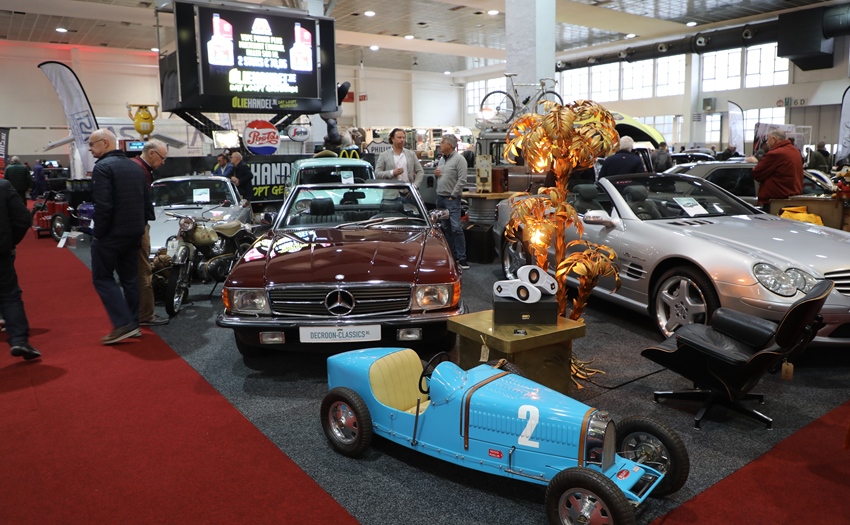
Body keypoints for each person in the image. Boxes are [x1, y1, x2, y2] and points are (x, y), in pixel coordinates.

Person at [89, 128, 152, 345]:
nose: (90, 149)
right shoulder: (134, 166)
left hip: (111, 234)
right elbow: (146, 202)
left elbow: (103, 205)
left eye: (92, 144)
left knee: (102, 277)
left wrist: (98, 233)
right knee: (130, 279)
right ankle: (133, 324)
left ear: (105, 142)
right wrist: (141, 227)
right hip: (134, 232)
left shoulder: (102, 168)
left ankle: (123, 323)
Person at [0, 178, 41, 360]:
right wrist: (9, 242)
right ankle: (19, 340)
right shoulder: (3, 186)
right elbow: (23, 219)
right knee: (9, 295)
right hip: (1, 252)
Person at [130, 139, 169, 327]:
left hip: (132, 227)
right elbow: (138, 202)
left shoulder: (136, 167)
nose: (163, 162)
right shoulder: (140, 170)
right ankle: (146, 314)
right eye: (162, 158)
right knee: (143, 271)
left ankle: (136, 312)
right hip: (138, 227)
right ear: (152, 153)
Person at [745, 129, 803, 209]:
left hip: (776, 202)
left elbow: (756, 173)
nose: (767, 143)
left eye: (768, 140)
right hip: (792, 200)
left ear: (774, 140)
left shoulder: (775, 154)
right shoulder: (795, 151)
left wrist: (757, 162)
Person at [434, 134, 468, 269]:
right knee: (446, 228)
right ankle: (452, 255)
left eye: (442, 142)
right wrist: (436, 175)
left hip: (451, 199)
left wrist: (453, 195)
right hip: (440, 197)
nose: (440, 145)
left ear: (449, 145)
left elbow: (462, 180)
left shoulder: (460, 159)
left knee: (456, 228)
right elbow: (440, 176)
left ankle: (462, 258)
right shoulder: (442, 159)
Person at [375, 128, 425, 201]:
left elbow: (420, 171)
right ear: (392, 138)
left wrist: (415, 186)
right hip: (391, 196)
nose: (402, 140)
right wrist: (392, 172)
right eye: (399, 137)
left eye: (403, 138)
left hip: (409, 194)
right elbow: (377, 173)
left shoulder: (411, 154)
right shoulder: (384, 155)